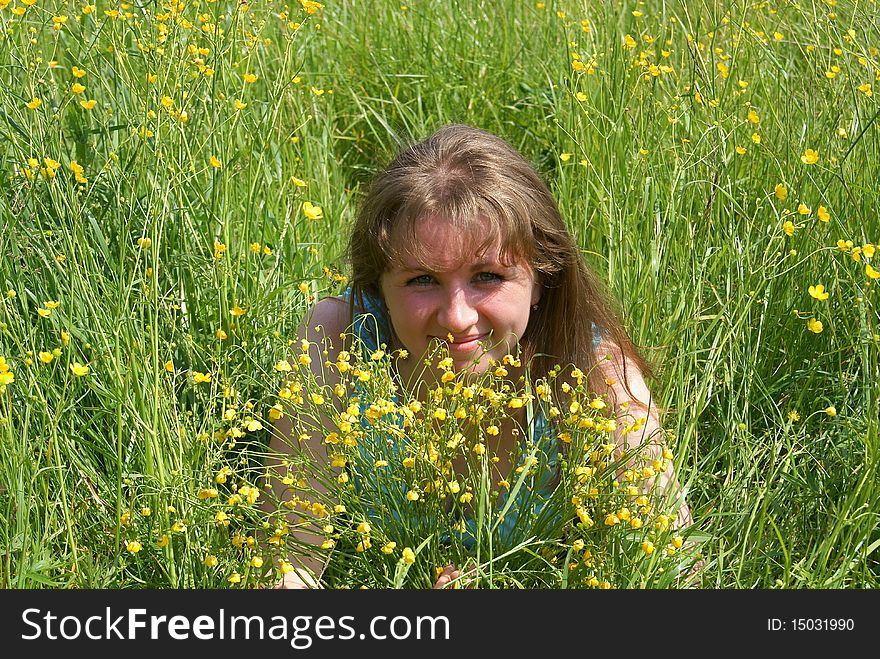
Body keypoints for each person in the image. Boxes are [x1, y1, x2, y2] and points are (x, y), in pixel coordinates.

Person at [266, 124, 695, 589]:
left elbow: (675, 566)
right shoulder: (341, 339)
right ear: (380, 289)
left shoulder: (592, 370)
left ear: (540, 281)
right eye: (421, 280)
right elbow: (289, 566)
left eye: (488, 276)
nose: (456, 317)